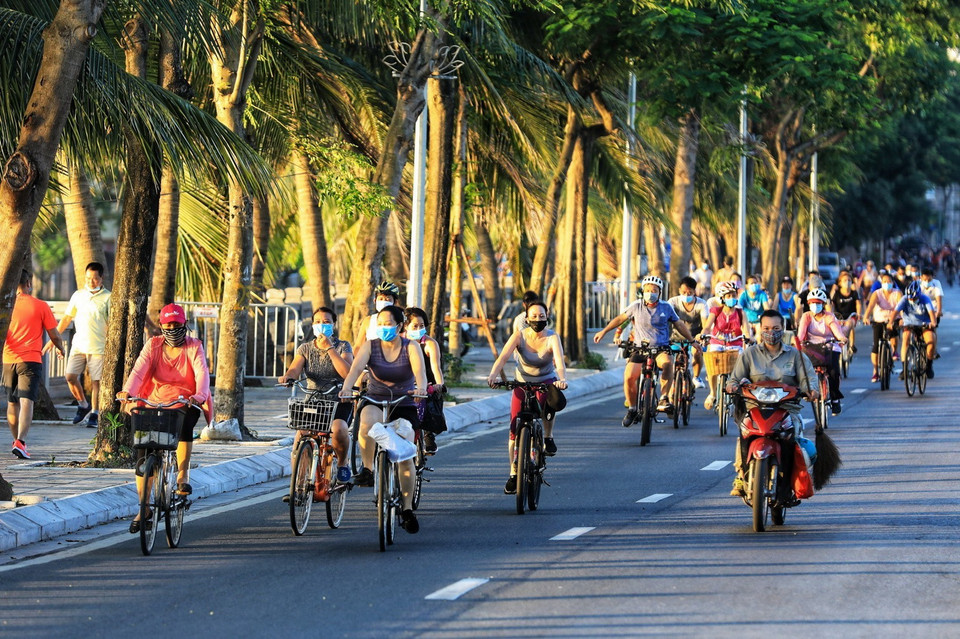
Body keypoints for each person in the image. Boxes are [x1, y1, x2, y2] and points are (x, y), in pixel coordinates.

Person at [119, 303, 212, 533]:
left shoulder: (194, 346)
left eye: (177, 324)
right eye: (168, 325)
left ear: (185, 324)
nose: (172, 329)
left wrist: (199, 396)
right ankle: (144, 507)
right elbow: (139, 371)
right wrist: (128, 392)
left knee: (185, 424)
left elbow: (202, 374)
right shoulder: (153, 345)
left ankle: (182, 474)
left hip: (186, 401)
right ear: (161, 326)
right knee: (144, 452)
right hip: (154, 400)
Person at [339, 305, 427, 534]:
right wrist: (347, 388)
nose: (383, 328)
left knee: (405, 454)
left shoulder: (411, 347)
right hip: (375, 399)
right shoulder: (371, 346)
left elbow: (420, 374)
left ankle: (407, 509)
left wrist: (422, 390)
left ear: (399, 326)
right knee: (367, 425)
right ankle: (368, 469)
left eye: (388, 324)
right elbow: (356, 368)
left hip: (404, 403)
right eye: (380, 324)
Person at [725, 310, 819, 496]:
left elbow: (809, 380)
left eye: (776, 328)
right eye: (766, 328)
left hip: (786, 410)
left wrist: (811, 391)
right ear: (760, 329)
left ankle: (791, 482)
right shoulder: (749, 354)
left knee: (792, 441)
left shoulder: (795, 355)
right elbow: (733, 380)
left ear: (783, 329)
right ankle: (741, 475)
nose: (771, 332)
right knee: (744, 433)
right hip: (755, 409)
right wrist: (732, 386)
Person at [594, 275, 699, 425]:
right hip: (639, 349)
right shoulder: (636, 306)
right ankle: (632, 409)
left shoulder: (666, 307)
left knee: (668, 363)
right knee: (629, 377)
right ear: (643, 291)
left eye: (654, 290)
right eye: (648, 290)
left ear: (660, 292)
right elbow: (620, 319)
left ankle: (663, 398)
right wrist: (603, 331)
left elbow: (679, 325)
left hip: (660, 348)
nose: (651, 293)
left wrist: (692, 340)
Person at [487, 301, 567, 493]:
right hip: (521, 383)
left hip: (546, 381)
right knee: (514, 428)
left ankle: (548, 437)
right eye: (533, 316)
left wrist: (562, 379)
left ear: (547, 316)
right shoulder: (519, 336)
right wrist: (493, 375)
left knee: (551, 404)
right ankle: (514, 473)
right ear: (526, 318)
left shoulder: (552, 337)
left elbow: (559, 362)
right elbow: (503, 357)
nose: (537, 319)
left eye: (541, 316)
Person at [278, 306, 354, 495]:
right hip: (313, 400)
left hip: (339, 400)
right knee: (301, 435)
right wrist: (288, 377)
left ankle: (343, 463)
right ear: (312, 325)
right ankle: (298, 485)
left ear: (334, 325)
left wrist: (329, 348)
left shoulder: (343, 346)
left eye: (326, 322)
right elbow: (295, 368)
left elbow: (347, 373)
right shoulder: (305, 348)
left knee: (338, 429)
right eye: (318, 322)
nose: (322, 326)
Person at [4, 270, 66, 459]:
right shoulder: (40, 306)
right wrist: (60, 348)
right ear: (29, 283)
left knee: (12, 402)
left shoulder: (6, 305)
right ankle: (21, 442)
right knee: (26, 401)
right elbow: (54, 334)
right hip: (30, 360)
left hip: (8, 359)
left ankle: (17, 441)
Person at [42, 262, 111, 428]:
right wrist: (53, 339)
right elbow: (66, 318)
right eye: (88, 278)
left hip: (99, 346)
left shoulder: (108, 297)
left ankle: (95, 412)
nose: (91, 281)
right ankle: (82, 404)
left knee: (97, 382)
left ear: (101, 278)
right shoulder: (78, 295)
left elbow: (112, 323)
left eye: (95, 278)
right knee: (70, 377)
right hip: (79, 345)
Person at [699, 281, 752, 411]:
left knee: (739, 368)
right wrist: (703, 334)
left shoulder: (740, 313)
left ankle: (735, 391)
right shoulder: (715, 311)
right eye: (728, 296)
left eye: (734, 295)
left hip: (735, 344)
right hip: (717, 342)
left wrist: (747, 336)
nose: (732, 298)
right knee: (712, 367)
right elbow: (707, 327)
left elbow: (746, 329)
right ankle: (712, 393)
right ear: (722, 298)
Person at [797, 288, 847, 416]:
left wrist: (841, 338)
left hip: (829, 346)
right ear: (809, 304)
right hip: (812, 347)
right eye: (813, 303)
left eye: (818, 303)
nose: (815, 305)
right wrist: (798, 343)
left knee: (834, 371)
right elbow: (801, 334)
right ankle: (806, 390)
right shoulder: (806, 316)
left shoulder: (829, 316)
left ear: (823, 304)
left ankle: (835, 399)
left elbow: (836, 331)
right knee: (802, 366)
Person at [402, 307, 445, 454]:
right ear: (405, 326)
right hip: (404, 384)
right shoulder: (399, 342)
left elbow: (436, 367)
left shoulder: (430, 343)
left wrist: (439, 384)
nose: (419, 329)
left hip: (426, 384)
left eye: (422, 326)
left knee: (429, 405)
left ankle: (428, 432)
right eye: (415, 326)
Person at [890, 281, 938, 379]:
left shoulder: (925, 299)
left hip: (924, 324)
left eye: (914, 298)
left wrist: (933, 323)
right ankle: (904, 369)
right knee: (906, 339)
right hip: (909, 323)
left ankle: (929, 365)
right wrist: (890, 322)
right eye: (910, 298)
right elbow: (895, 312)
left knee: (931, 340)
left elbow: (932, 315)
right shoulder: (904, 299)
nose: (912, 299)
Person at [667, 276, 708, 388]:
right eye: (684, 292)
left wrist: (702, 335)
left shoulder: (702, 304)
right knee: (668, 359)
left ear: (694, 291)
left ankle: (696, 376)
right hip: (675, 338)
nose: (686, 295)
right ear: (679, 290)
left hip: (694, 338)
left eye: (689, 292)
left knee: (697, 352)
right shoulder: (673, 302)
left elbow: (705, 324)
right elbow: (666, 320)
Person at [863, 271, 903, 382]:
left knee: (893, 334)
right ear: (881, 283)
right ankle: (875, 371)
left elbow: (901, 306)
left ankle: (894, 350)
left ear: (893, 282)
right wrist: (866, 317)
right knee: (876, 345)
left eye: (889, 281)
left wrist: (903, 319)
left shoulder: (897, 293)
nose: (887, 283)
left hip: (894, 319)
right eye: (884, 281)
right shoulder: (877, 293)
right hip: (879, 319)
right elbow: (870, 306)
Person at [353, 281, 402, 348]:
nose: (384, 302)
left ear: (395, 302)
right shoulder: (368, 321)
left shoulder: (401, 320)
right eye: (381, 299)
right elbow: (358, 346)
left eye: (388, 299)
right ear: (375, 301)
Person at [830, 271, 862, 354]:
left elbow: (858, 304)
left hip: (851, 315)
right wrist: (831, 313)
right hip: (839, 315)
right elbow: (831, 304)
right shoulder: (837, 293)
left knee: (850, 324)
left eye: (849, 280)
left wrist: (858, 314)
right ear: (840, 283)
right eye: (844, 280)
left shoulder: (853, 293)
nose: (847, 282)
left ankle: (851, 345)